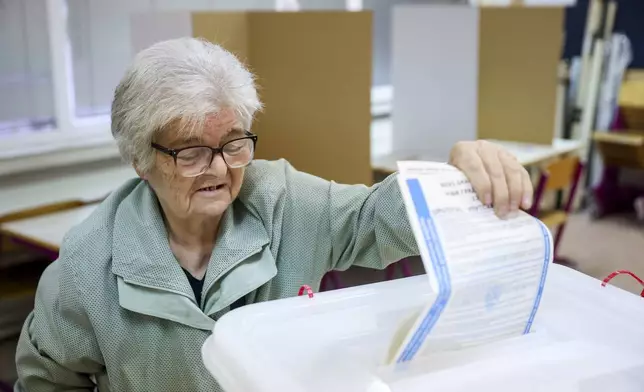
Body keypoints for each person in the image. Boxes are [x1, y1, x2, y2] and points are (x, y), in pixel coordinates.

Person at [14, 37, 533, 391]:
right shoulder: (86, 267)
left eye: (233, 143)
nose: (219, 168)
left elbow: (376, 217)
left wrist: (453, 178)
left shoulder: (282, 199)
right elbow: (47, 382)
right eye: (190, 151)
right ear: (141, 160)